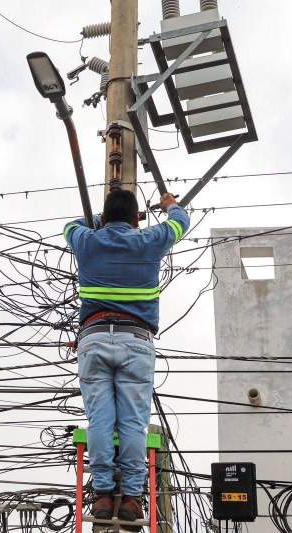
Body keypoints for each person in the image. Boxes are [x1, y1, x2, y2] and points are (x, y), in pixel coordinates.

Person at [63, 190, 190, 530]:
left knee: (101, 420)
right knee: (133, 422)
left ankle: (103, 496)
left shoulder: (87, 242)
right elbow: (181, 222)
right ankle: (132, 498)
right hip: (136, 340)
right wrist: (168, 205)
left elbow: (70, 226)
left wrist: (97, 222)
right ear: (136, 219)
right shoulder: (149, 240)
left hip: (93, 338)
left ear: (104, 219)